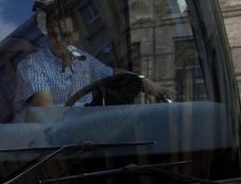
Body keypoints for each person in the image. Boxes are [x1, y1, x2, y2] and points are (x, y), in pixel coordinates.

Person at [17, 7, 171, 111]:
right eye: (52, 34)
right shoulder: (33, 65)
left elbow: (111, 74)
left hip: (90, 138)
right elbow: (47, 116)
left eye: (65, 35)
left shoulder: (81, 59)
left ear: (76, 35)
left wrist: (144, 81)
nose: (58, 40)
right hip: (56, 149)